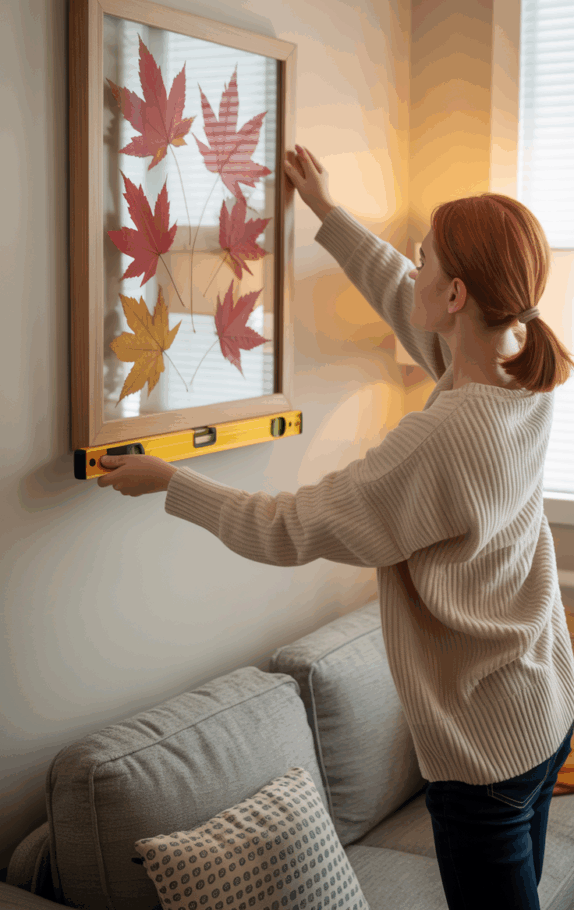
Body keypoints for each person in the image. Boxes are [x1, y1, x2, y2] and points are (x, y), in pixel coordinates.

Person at [98, 145, 574, 910]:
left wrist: (170, 482)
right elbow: (404, 297)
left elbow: (287, 528)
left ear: (456, 295)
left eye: (425, 261)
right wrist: (327, 210)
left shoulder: (443, 439)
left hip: (485, 754)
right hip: (545, 705)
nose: (411, 269)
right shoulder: (521, 360)